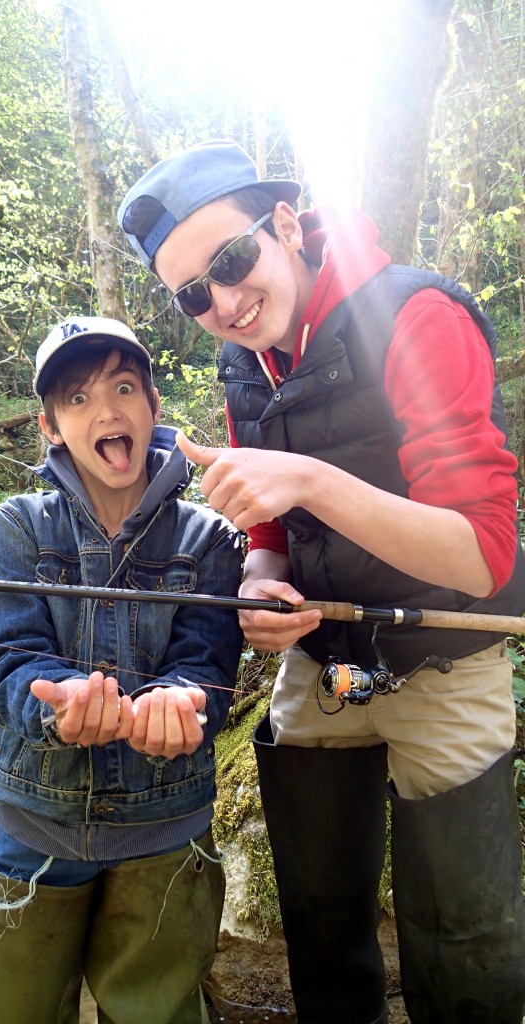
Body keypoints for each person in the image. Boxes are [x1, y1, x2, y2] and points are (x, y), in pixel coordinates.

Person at [117, 140, 525, 1024]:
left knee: (465, 936)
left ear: (288, 225)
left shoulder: (416, 317)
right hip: (336, 668)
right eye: (194, 294)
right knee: (318, 911)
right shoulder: (243, 364)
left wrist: (309, 481)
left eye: (232, 261)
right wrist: (263, 581)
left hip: (445, 655)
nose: (223, 302)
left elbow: (484, 553)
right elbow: (268, 532)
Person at [0, 315, 243, 1024]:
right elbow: (8, 663)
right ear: (52, 426)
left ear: (151, 407)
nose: (107, 411)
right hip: (37, 833)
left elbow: (207, 666)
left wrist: (185, 704)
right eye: (78, 399)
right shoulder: (17, 527)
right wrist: (53, 703)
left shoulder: (210, 539)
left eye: (123, 388)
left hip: (168, 838)